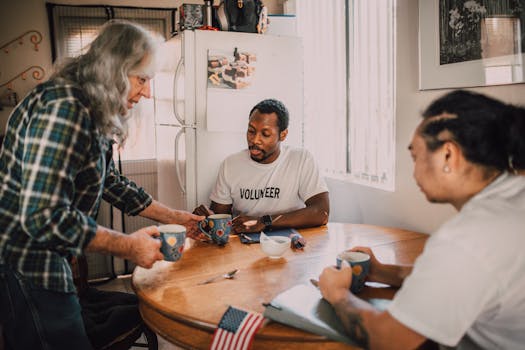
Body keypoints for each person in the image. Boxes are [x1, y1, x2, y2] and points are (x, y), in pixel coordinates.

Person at [0, 20, 204, 349]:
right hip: (27, 263)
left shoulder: (91, 109)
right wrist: (128, 245)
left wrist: (177, 218)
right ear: (114, 71)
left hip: (48, 257)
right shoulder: (66, 110)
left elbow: (110, 182)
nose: (148, 92)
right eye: (142, 79)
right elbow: (43, 216)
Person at [318, 90, 525, 349]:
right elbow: (463, 279)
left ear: (448, 155)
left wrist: (337, 294)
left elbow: (389, 339)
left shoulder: (466, 238)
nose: (413, 172)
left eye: (415, 156)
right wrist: (382, 271)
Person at [194, 98, 329, 234]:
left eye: (265, 134)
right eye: (251, 131)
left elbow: (322, 212)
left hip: (290, 245)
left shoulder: (301, 159)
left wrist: (264, 222)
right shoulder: (231, 164)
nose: (255, 140)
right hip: (244, 245)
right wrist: (207, 219)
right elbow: (219, 216)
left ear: (283, 135)